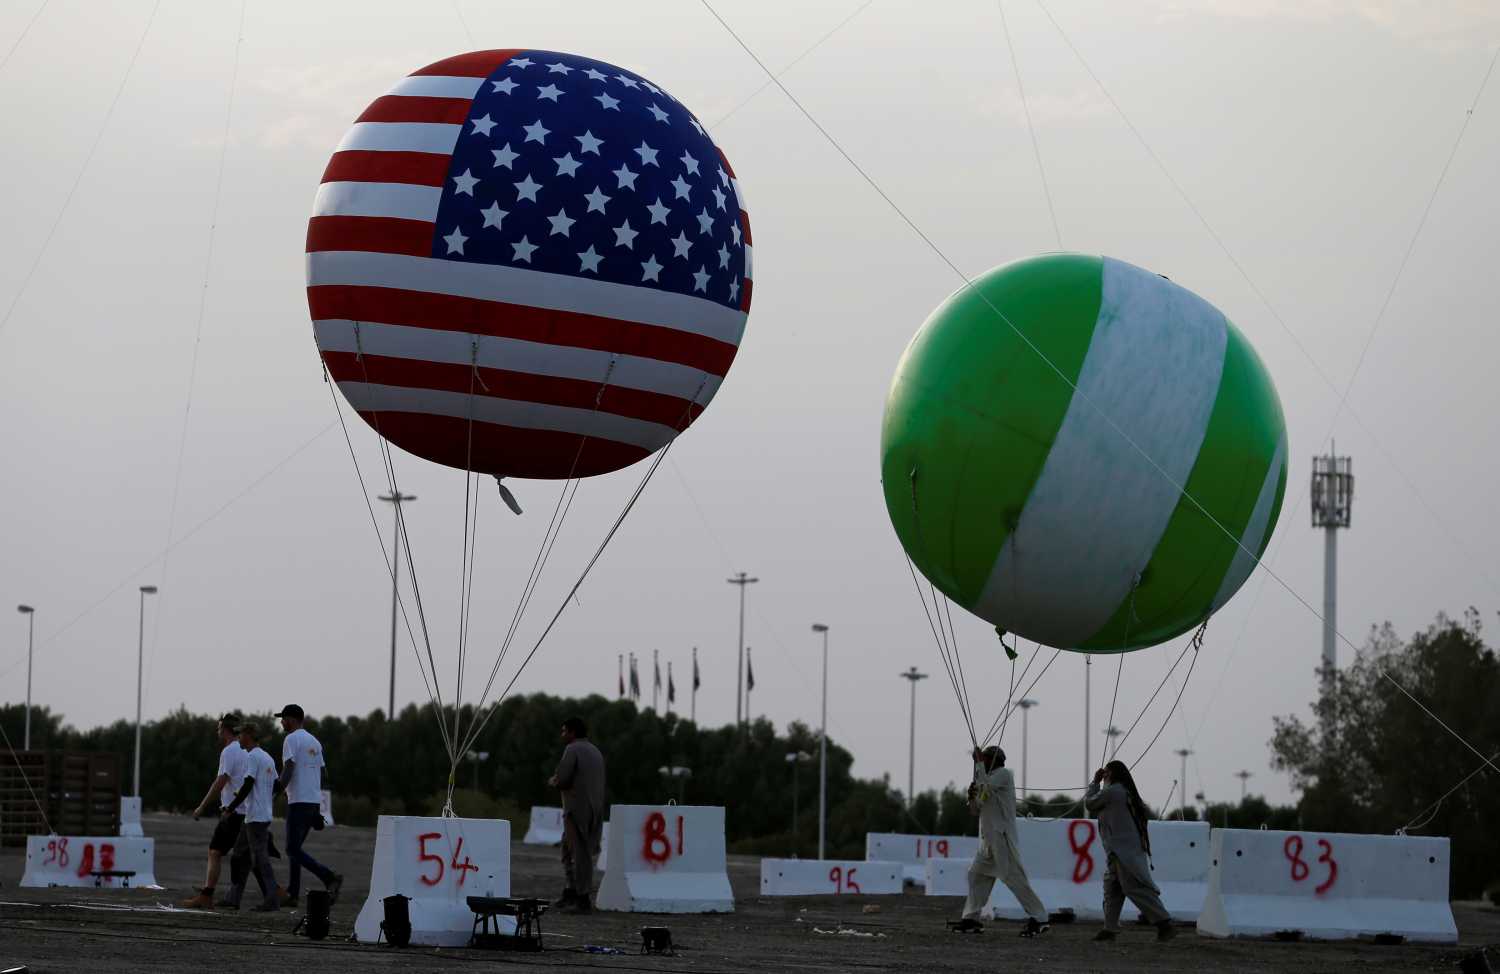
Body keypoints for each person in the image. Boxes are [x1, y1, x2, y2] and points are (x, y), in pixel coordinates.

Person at [957, 745, 1050, 937]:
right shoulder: (986, 779)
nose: (984, 760)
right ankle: (971, 918)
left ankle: (1040, 918)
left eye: (987, 758)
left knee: (1014, 879)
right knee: (977, 875)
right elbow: (976, 809)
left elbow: (986, 787)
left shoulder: (1004, 774)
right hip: (987, 842)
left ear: (996, 760)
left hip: (1002, 839)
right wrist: (971, 797)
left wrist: (978, 764)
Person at [1085, 760, 1176, 942]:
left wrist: (1094, 783)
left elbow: (1090, 803)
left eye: (1107, 774)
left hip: (1122, 852)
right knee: (1112, 888)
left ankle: (1164, 923)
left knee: (1133, 888)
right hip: (1119, 850)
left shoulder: (1113, 792)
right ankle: (1109, 929)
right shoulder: (1123, 792)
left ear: (1113, 774)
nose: (1105, 777)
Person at [274, 703, 342, 907]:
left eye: (283, 718)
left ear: (292, 719)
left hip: (299, 802)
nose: (281, 722)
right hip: (312, 801)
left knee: (292, 849)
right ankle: (293, 894)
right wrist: (317, 805)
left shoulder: (291, 739)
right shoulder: (314, 741)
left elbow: (288, 768)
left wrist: (276, 791)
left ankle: (329, 877)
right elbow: (322, 773)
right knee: (296, 849)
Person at [178, 713, 246, 909]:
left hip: (232, 812)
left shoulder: (229, 752)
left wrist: (202, 806)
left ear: (224, 730)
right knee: (249, 856)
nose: (217, 732)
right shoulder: (246, 750)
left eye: (218, 729)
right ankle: (208, 893)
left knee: (215, 852)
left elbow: (220, 782)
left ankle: (207, 895)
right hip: (246, 811)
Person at [218, 721, 280, 912]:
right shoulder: (267, 757)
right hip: (258, 815)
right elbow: (277, 785)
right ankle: (234, 898)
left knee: (260, 860)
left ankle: (272, 899)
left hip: (256, 818)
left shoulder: (253, 757)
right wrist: (266, 800)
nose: (238, 738)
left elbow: (247, 785)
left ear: (249, 735)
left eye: (240, 735)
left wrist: (230, 808)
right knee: (238, 855)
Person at [547, 716, 605, 914]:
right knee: (570, 850)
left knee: (578, 854)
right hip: (595, 809)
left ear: (572, 732)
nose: (562, 735)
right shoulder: (595, 751)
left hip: (576, 809)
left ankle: (582, 898)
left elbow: (563, 778)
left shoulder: (572, 749)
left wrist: (554, 781)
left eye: (564, 731)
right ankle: (570, 891)